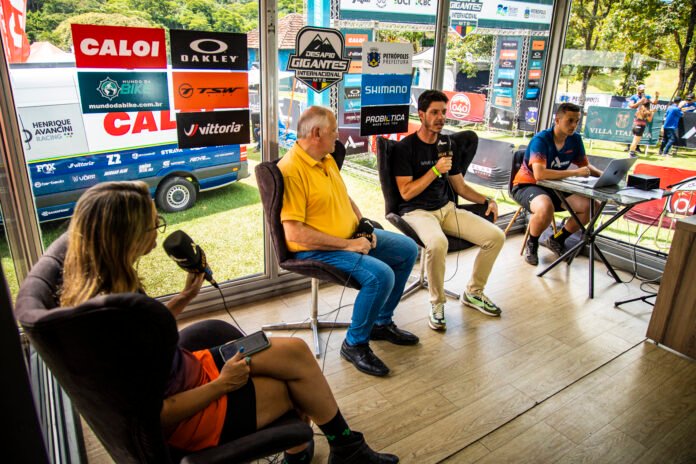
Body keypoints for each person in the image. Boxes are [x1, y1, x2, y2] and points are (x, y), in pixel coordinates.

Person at [59, 181, 399, 464]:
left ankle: (341, 448)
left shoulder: (108, 285)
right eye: (154, 224)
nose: (159, 229)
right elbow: (153, 414)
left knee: (296, 352)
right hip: (190, 414)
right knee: (295, 389)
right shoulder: (110, 321)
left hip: (189, 371)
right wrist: (221, 385)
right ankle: (332, 451)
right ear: (128, 235)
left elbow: (149, 332)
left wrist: (185, 296)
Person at [278, 106, 419, 377]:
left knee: (407, 249)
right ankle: (354, 344)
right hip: (316, 249)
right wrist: (349, 245)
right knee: (380, 276)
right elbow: (294, 234)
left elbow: (344, 195)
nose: (338, 135)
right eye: (333, 131)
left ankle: (380, 323)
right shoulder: (292, 170)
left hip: (348, 236)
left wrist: (362, 223)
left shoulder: (325, 158)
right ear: (316, 133)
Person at [393, 90, 506, 331]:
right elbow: (406, 192)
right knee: (437, 243)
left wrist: (486, 199)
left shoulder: (447, 144)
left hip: (446, 208)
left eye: (443, 112)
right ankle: (437, 304)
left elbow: (460, 186)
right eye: (434, 112)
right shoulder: (405, 148)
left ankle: (474, 292)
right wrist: (435, 170)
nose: (440, 118)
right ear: (421, 114)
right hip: (416, 212)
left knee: (496, 237)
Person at [511, 102, 603, 266]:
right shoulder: (541, 140)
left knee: (592, 207)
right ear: (557, 120)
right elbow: (540, 175)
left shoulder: (575, 139)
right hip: (527, 185)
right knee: (545, 207)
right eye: (570, 121)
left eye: (577, 121)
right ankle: (532, 243)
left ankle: (557, 239)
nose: (574, 125)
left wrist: (604, 176)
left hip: (555, 186)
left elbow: (585, 166)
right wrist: (575, 173)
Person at [626, 84, 659, 153]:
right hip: (636, 116)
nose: (643, 91)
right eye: (641, 90)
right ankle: (630, 149)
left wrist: (656, 96)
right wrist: (640, 101)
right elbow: (631, 106)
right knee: (635, 136)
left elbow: (654, 102)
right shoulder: (634, 97)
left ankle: (635, 148)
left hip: (643, 117)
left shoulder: (647, 96)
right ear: (638, 90)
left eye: (643, 90)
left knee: (637, 136)